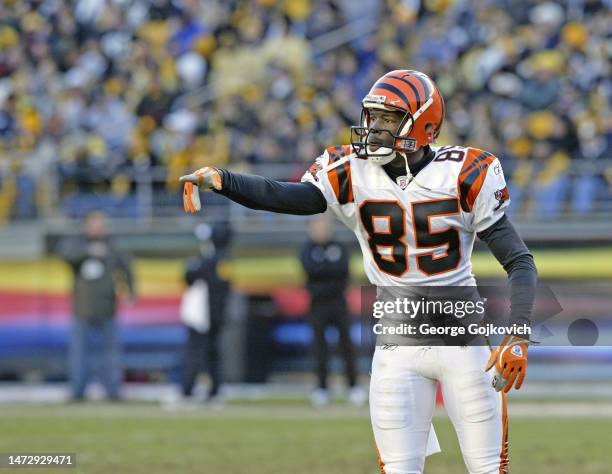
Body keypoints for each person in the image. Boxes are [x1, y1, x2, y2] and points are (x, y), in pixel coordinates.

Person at [180, 70, 537, 473]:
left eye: (388, 119)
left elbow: (519, 261)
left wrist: (518, 332)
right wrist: (224, 180)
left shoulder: (464, 173)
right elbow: (288, 196)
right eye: (373, 117)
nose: (375, 128)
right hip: (396, 342)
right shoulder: (351, 171)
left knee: (489, 469)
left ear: (422, 125)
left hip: (463, 340)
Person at [57, 211, 135, 401]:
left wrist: (131, 291)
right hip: (82, 309)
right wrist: (88, 250)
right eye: (94, 225)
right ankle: (77, 392)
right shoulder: (77, 242)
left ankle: (112, 391)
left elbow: (126, 267)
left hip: (107, 308)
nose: (98, 229)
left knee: (110, 356)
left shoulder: (112, 245)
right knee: (79, 355)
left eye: (101, 225)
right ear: (86, 226)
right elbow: (66, 254)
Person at [300, 215, 364, 407]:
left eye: (322, 226)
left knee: (347, 347)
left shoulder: (339, 247)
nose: (319, 230)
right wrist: (328, 274)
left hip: (338, 304)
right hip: (317, 305)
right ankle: (321, 388)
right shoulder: (307, 249)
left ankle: (353, 387)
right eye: (316, 227)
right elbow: (310, 270)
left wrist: (324, 276)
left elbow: (342, 271)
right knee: (320, 348)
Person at [179, 223, 230, 403]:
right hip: (208, 314)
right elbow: (189, 277)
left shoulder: (216, 261)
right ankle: (211, 390)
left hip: (207, 314)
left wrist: (198, 266)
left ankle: (191, 389)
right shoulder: (217, 261)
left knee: (199, 353)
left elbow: (192, 275)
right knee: (208, 353)